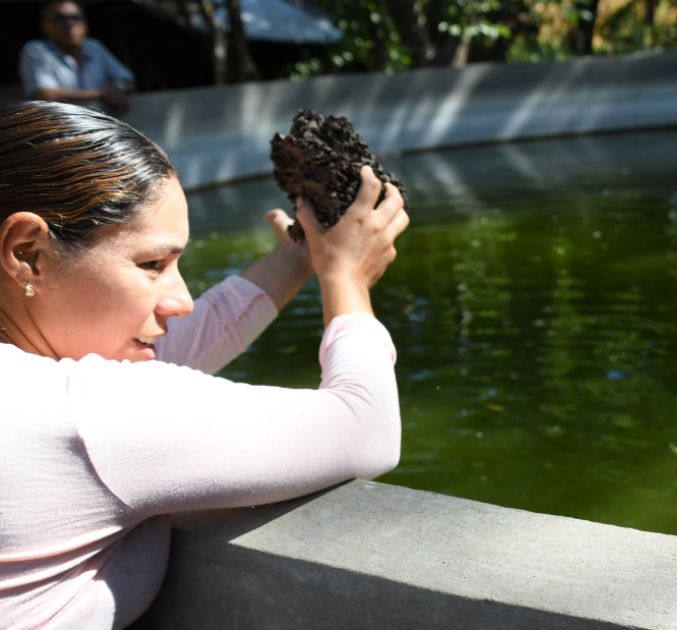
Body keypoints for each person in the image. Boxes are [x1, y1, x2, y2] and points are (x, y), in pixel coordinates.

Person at [0, 100, 409, 628]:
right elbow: (366, 426)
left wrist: (302, 254)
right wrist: (346, 282)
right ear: (28, 253)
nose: (181, 299)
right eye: (153, 264)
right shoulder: (83, 412)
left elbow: (168, 344)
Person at [19, 1, 135, 113]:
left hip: (102, 123)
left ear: (85, 23)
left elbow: (128, 81)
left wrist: (118, 88)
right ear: (45, 25)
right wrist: (102, 93)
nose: (69, 24)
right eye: (60, 19)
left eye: (75, 17)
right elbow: (45, 94)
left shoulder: (94, 47)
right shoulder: (36, 50)